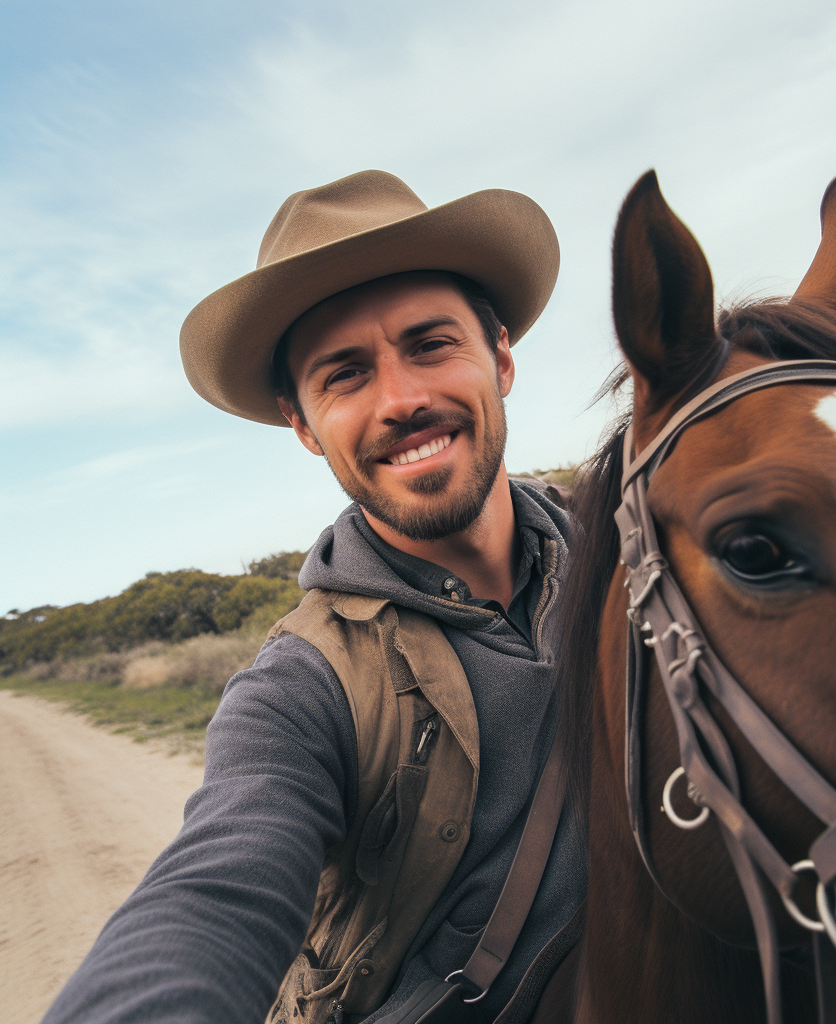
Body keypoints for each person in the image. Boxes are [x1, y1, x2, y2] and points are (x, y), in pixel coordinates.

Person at [42, 171, 587, 1024]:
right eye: (344, 375)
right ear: (303, 426)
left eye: (432, 343)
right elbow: (211, 895)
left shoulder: (632, 557)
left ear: (503, 357)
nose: (402, 399)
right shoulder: (300, 689)